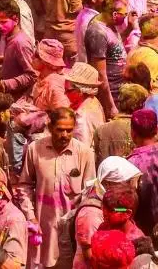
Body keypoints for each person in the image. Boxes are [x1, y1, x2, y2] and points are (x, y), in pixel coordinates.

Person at [15, 107, 95, 268]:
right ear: (50, 128)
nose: (64, 135)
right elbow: (24, 186)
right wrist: (31, 217)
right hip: (43, 225)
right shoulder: (35, 149)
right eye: (60, 130)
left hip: (72, 230)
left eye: (69, 130)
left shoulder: (84, 153)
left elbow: (89, 193)